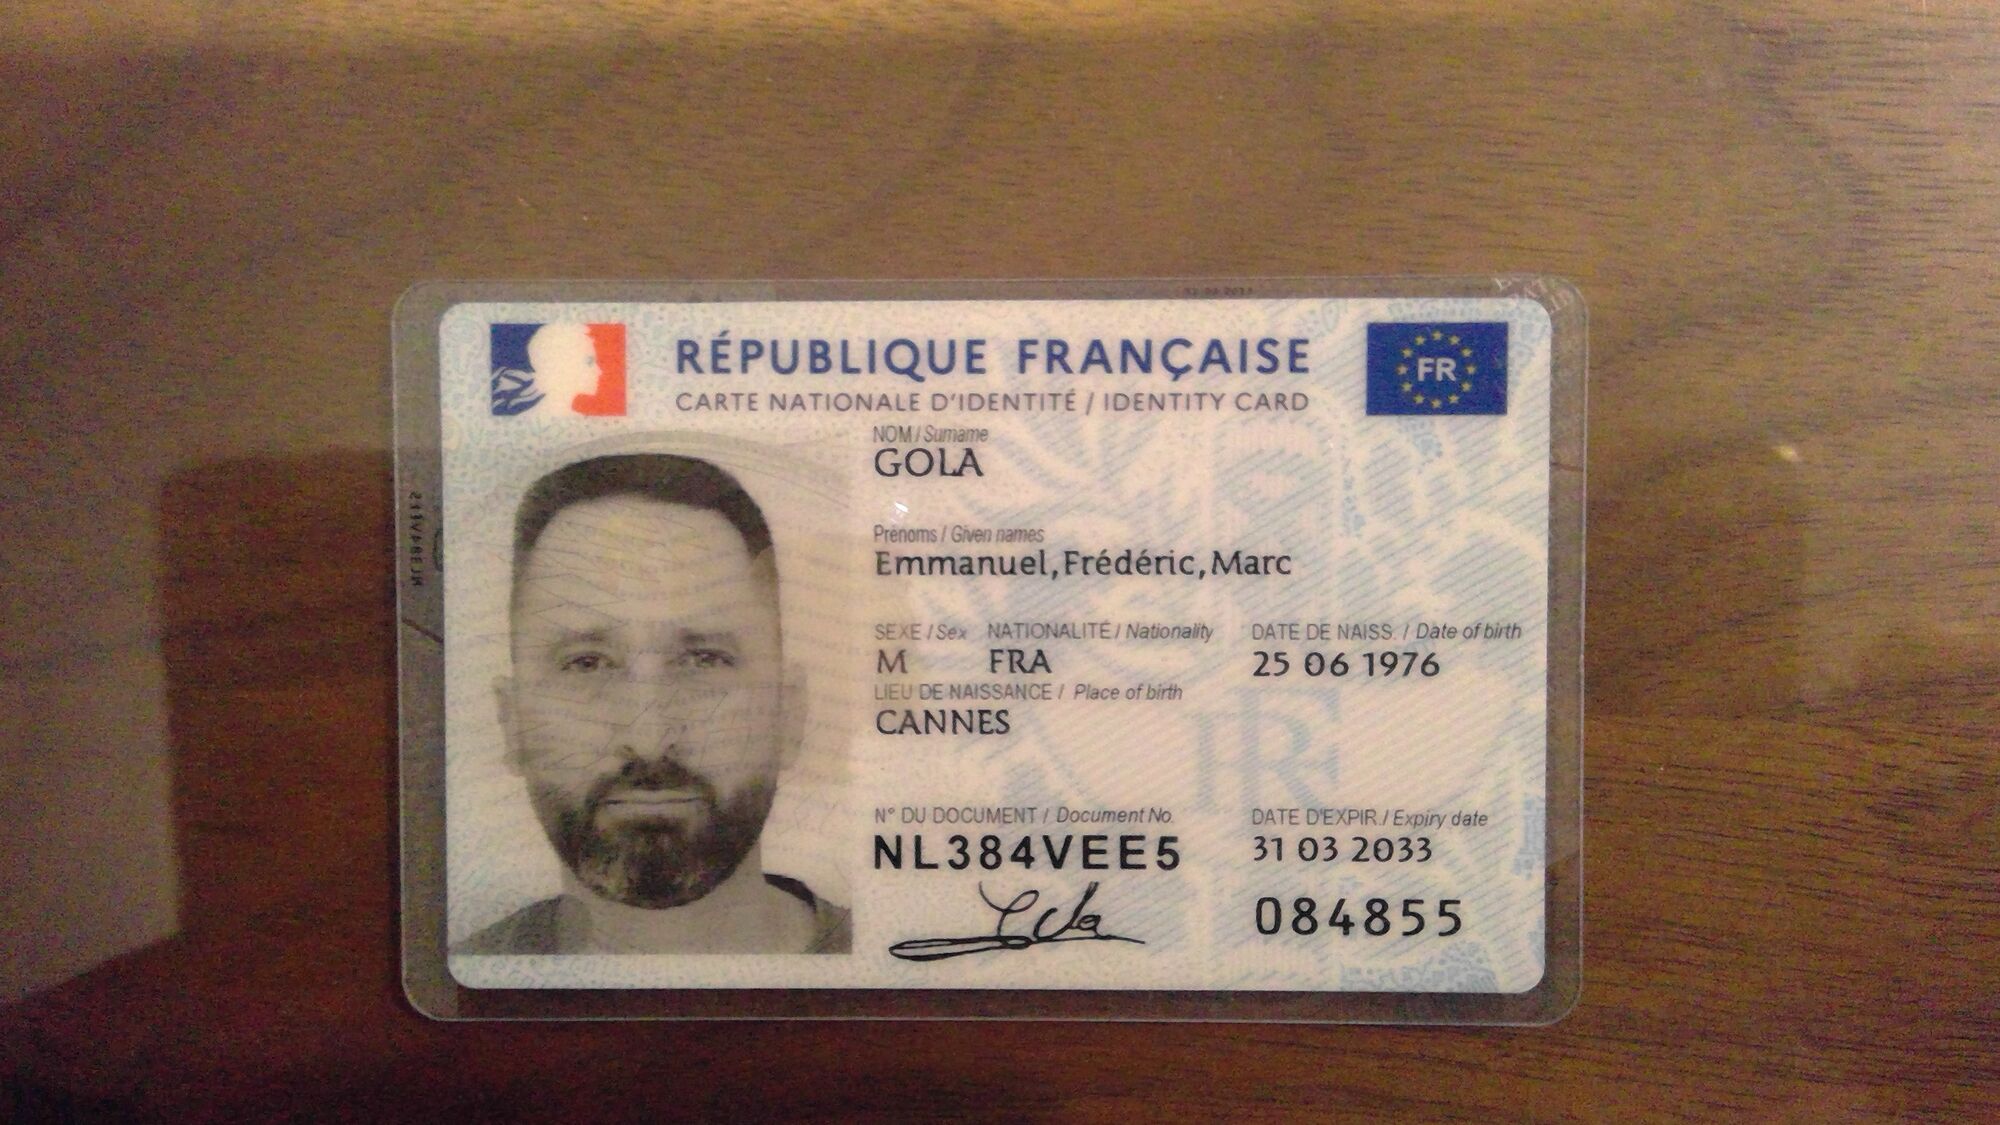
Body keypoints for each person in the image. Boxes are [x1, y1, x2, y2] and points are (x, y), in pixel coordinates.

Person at [459, 453, 849, 954]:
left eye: (703, 660)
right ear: (511, 723)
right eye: (587, 664)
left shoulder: (899, 970)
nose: (648, 741)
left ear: (788, 716)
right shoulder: (463, 974)